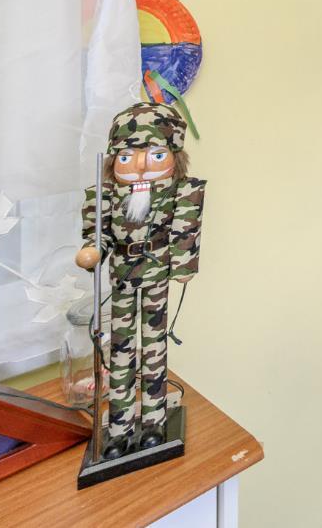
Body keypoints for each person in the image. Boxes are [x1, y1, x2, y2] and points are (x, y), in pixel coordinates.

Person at [77, 103, 205, 459]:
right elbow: (96, 236)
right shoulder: (104, 198)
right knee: (119, 355)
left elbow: (186, 229)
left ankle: (153, 424)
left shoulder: (177, 195)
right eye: (127, 157)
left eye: (156, 154)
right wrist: (92, 251)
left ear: (174, 159)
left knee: (154, 351)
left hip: (156, 281)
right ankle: (118, 428)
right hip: (121, 280)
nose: (141, 166)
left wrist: (183, 265)